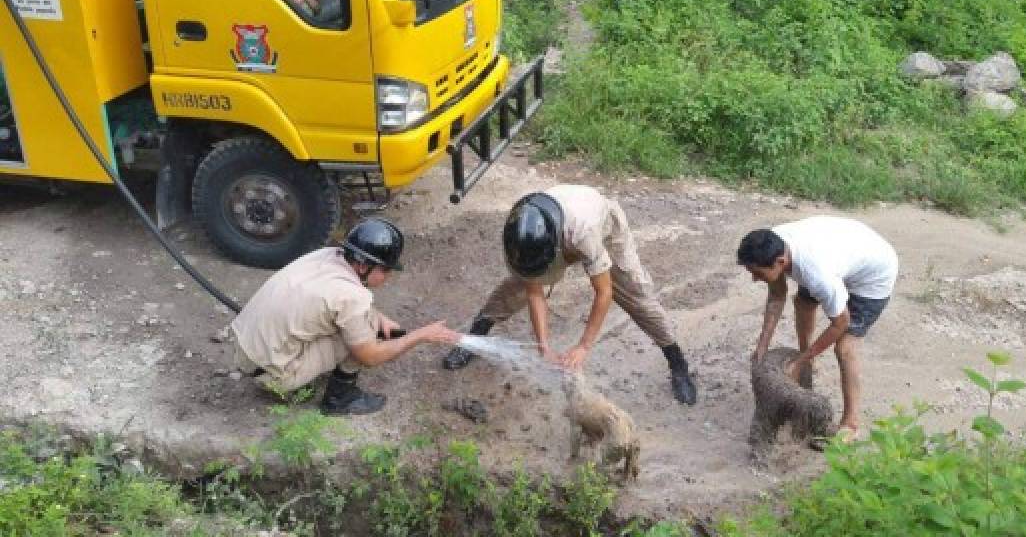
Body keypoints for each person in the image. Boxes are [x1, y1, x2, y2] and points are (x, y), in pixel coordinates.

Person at [441, 185, 698, 406]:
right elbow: (534, 292)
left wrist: (584, 346)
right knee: (516, 286)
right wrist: (543, 344)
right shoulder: (519, 231)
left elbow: (604, 292)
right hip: (559, 232)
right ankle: (474, 338)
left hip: (603, 229)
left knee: (634, 293)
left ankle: (677, 363)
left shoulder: (583, 233)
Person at [231, 218, 461, 416]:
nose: (388, 276)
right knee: (367, 335)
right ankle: (340, 399)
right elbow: (371, 357)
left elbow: (339, 303)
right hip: (271, 372)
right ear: (362, 266)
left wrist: (377, 315)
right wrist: (420, 336)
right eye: (386, 270)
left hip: (246, 350)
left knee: (364, 320)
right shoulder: (352, 297)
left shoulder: (326, 256)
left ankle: (297, 369)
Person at [736, 216, 898, 445]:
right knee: (803, 303)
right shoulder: (771, 243)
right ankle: (807, 364)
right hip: (843, 250)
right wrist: (762, 344)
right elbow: (777, 295)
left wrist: (800, 361)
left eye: (759, 274)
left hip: (873, 274)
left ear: (781, 262)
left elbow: (840, 322)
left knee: (844, 348)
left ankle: (850, 425)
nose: (754, 279)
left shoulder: (817, 275)